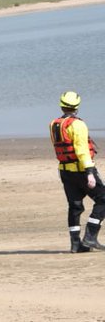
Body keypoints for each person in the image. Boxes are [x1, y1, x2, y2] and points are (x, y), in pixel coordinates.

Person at [50, 90, 105, 252]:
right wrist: (90, 172)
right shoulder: (78, 124)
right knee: (103, 199)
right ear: (77, 106)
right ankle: (90, 237)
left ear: (61, 106)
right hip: (81, 170)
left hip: (65, 171)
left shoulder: (54, 124)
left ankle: (75, 244)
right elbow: (82, 150)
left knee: (75, 206)